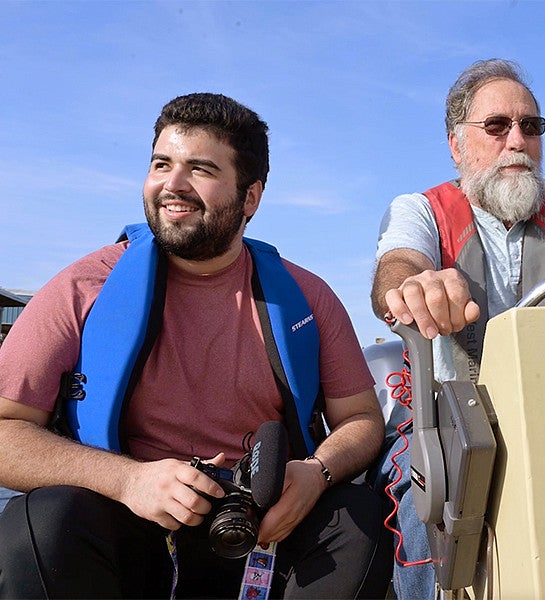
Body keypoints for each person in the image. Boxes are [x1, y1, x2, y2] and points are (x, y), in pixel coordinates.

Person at [0, 93, 391, 599]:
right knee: (40, 524)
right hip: (129, 521)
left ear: (250, 198)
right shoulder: (83, 287)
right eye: (161, 164)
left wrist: (316, 473)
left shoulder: (307, 298)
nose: (173, 185)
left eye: (200, 169)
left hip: (263, 527)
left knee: (360, 520)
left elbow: (361, 418)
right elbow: (6, 429)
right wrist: (128, 482)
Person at [368, 58, 545, 599]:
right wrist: (416, 285)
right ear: (458, 146)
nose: (517, 141)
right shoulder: (421, 211)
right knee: (422, 502)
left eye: (531, 126)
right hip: (448, 420)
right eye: (497, 126)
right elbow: (397, 266)